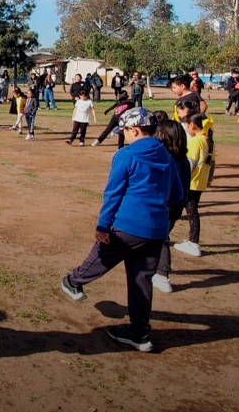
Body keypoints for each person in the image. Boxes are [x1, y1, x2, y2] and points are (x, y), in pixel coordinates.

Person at [60, 107, 184, 352]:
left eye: (124, 131)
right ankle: (139, 333)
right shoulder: (167, 156)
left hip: (129, 224)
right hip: (157, 229)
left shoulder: (125, 155)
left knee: (103, 255)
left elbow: (113, 193)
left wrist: (103, 226)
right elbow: (177, 194)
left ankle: (73, 281)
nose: (123, 135)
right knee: (142, 280)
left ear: (134, 130)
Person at [152, 119, 190, 294]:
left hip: (166, 207)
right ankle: (155, 268)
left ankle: (162, 275)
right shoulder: (183, 160)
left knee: (161, 240)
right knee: (158, 238)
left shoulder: (167, 161)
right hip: (176, 207)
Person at [172, 113, 211, 259]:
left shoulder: (196, 141)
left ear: (192, 125)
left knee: (189, 211)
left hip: (191, 182)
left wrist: (180, 178)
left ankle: (193, 243)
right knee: (191, 211)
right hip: (199, 182)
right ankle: (192, 241)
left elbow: (190, 163)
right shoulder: (206, 139)